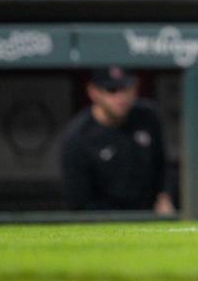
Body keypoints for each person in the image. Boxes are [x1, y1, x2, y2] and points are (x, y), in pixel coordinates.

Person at [60, 66, 175, 214]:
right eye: (111, 90)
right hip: (103, 221)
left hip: (149, 214)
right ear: (93, 92)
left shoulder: (148, 117)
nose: (120, 98)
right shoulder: (77, 137)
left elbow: (162, 167)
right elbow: (77, 203)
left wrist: (164, 196)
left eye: (126, 88)